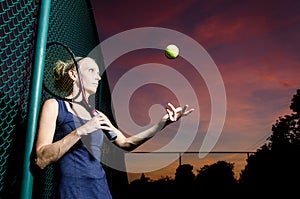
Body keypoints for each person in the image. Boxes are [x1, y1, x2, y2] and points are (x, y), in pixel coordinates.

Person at [34, 57, 194, 199]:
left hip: (100, 190)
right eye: (91, 70)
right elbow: (41, 158)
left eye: (98, 73)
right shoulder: (55, 106)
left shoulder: (97, 114)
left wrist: (162, 123)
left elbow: (126, 143)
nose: (98, 77)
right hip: (70, 191)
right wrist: (81, 130)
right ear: (74, 74)